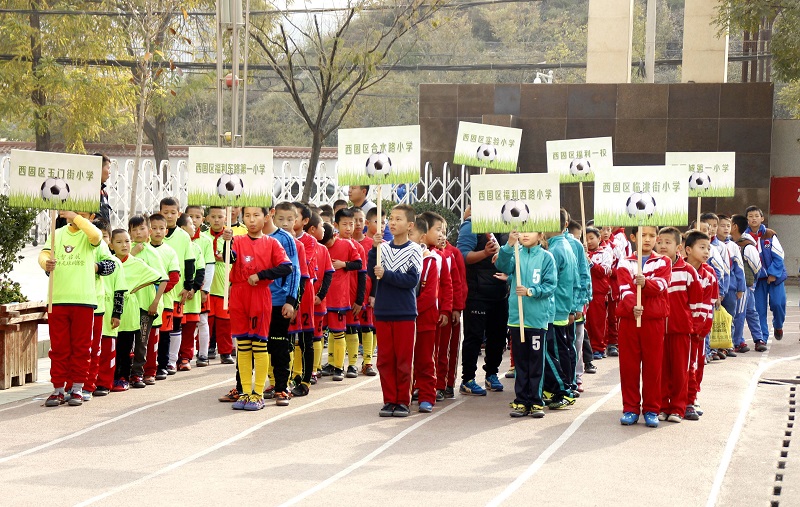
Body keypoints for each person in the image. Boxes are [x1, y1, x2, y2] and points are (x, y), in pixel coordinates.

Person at [222, 207, 293, 411]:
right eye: (247, 216)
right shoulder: (236, 240)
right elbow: (230, 259)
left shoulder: (272, 242)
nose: (251, 220)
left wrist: (261, 275)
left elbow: (286, 266)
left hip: (259, 294)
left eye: (256, 215)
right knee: (243, 346)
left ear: (266, 217)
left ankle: (258, 393)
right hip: (239, 294)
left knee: (259, 344)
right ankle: (244, 391)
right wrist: (226, 243)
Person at [39, 211, 110, 406]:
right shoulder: (58, 233)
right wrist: (46, 262)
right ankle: (58, 389)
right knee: (59, 348)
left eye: (81, 212)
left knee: (81, 347)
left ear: (90, 214)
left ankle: (78, 388)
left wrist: (76, 217)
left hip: (84, 300)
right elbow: (44, 253)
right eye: (73, 211)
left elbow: (96, 236)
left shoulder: (91, 235)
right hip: (57, 299)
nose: (76, 215)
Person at [368, 204, 423, 417]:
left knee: (403, 359)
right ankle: (389, 399)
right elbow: (372, 273)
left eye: (398, 219)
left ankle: (403, 401)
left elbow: (412, 281)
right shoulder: (383, 247)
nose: (392, 222)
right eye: (391, 218)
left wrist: (387, 274)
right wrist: (374, 249)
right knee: (384, 359)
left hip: (404, 312)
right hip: (383, 310)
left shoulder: (414, 249)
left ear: (409, 225)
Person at [495, 229, 557, 418]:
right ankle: (521, 401)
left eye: (530, 231)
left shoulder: (547, 258)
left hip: (537, 319)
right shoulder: (516, 253)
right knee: (521, 362)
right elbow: (502, 265)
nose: (525, 234)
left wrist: (531, 291)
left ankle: (536, 402)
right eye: (521, 231)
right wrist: (508, 245)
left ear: (540, 235)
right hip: (517, 318)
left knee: (536, 362)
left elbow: (550, 285)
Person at [616, 225, 671, 428]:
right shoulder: (625, 262)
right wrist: (632, 307)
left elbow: (662, 285)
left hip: (653, 321)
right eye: (643, 235)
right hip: (630, 321)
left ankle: (651, 409)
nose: (647, 239)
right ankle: (630, 408)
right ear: (633, 237)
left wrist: (645, 283)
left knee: (653, 367)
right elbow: (623, 288)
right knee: (629, 366)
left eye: (651, 235)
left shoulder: (663, 261)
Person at [457, 206, 509, 396]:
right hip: (477, 293)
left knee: (498, 336)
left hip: (500, 292)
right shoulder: (470, 226)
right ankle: (468, 379)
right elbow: (461, 257)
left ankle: (492, 374)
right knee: (474, 337)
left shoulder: (505, 227)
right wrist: (485, 253)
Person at [109, 229, 166, 391]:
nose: (124, 245)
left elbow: (160, 277)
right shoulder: (109, 262)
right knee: (111, 346)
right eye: (119, 242)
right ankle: (109, 377)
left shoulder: (136, 263)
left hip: (129, 311)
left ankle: (123, 378)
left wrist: (135, 287)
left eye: (127, 241)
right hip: (111, 309)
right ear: (111, 245)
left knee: (126, 347)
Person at [657, 227, 702, 424]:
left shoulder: (688, 271)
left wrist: (694, 328)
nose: (663, 246)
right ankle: (662, 406)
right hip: (659, 330)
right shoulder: (653, 268)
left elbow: (697, 303)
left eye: (668, 242)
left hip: (681, 330)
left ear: (679, 247)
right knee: (661, 370)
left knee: (680, 370)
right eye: (661, 242)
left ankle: (678, 407)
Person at [261, 202, 301, 404]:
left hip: (278, 301)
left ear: (269, 214)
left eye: (289, 219)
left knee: (279, 346)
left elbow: (294, 271)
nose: (285, 224)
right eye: (248, 215)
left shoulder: (285, 239)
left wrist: (291, 301)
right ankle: (264, 384)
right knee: (259, 346)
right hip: (256, 302)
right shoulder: (246, 237)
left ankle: (281, 387)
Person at [543, 209, 580, 409]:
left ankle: (564, 388)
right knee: (561, 349)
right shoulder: (565, 244)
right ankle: (561, 386)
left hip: (555, 308)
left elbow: (549, 280)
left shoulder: (555, 250)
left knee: (554, 352)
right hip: (563, 305)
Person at [321, 208, 362, 381]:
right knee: (326, 333)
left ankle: (349, 365)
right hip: (324, 298)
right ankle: (329, 364)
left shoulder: (350, 245)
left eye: (351, 224)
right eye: (345, 224)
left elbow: (361, 268)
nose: (349, 227)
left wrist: (344, 264)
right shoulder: (320, 247)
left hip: (345, 297)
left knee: (349, 330)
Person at [85, 220, 124, 399]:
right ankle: (88, 382)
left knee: (107, 352)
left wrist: (117, 313)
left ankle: (104, 382)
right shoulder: (85, 259)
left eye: (104, 236)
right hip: (91, 313)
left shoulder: (114, 263)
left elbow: (120, 290)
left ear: (108, 240)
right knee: (91, 351)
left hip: (108, 317)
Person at [157, 197, 196, 375]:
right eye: (166, 212)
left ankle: (173, 360)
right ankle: (159, 360)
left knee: (175, 326)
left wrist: (189, 285)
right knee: (160, 326)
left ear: (179, 214)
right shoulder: (155, 233)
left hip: (177, 289)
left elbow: (190, 262)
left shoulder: (184, 236)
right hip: (158, 292)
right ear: (160, 213)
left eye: (173, 213)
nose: (169, 216)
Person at [142, 214, 181, 382]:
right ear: (149, 230)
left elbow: (174, 277)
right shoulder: (142, 249)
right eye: (154, 228)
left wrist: (159, 290)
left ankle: (162, 366)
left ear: (166, 230)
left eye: (161, 228)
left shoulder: (170, 252)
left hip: (164, 302)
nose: (158, 232)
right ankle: (142, 367)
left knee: (164, 335)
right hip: (144, 301)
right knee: (145, 336)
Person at [685, 230, 718, 420]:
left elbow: (708, 305)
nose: (706, 252)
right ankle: (676, 399)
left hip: (698, 331)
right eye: (702, 247)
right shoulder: (677, 270)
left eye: (708, 248)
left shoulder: (710, 275)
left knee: (695, 364)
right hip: (679, 329)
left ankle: (692, 397)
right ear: (687, 250)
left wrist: (699, 329)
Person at [744, 206, 787, 342]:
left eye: (756, 215)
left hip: (775, 277)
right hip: (757, 280)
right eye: (750, 216)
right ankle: (762, 338)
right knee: (759, 309)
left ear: (762, 218)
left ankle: (778, 325)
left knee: (778, 304)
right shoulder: (744, 238)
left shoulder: (769, 234)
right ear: (747, 219)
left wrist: (773, 273)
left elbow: (779, 256)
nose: (754, 218)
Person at [409, 216, 438, 413]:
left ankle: (427, 395)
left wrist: (410, 308)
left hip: (424, 320)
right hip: (405, 319)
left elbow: (429, 296)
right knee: (404, 360)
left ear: (422, 237)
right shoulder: (401, 258)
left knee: (425, 360)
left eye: (410, 234)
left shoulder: (431, 262)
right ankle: (404, 394)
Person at [204, 207, 238, 366]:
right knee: (207, 321)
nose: (216, 220)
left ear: (226, 218)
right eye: (213, 216)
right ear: (207, 218)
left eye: (220, 217)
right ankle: (206, 349)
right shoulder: (203, 237)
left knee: (225, 322)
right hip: (208, 286)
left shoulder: (231, 237)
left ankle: (225, 352)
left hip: (224, 286)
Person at [176, 213, 207, 371]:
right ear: (182, 229)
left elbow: (200, 270)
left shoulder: (196, 248)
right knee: (176, 329)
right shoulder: (172, 244)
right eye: (191, 224)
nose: (194, 226)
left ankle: (186, 357)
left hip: (191, 297)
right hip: (176, 295)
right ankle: (173, 357)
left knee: (189, 330)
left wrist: (194, 289)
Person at [186, 206, 216, 367]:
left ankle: (203, 354)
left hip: (199, 288)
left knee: (202, 321)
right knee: (185, 323)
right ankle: (185, 355)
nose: (194, 220)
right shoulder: (181, 238)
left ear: (203, 220)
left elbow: (210, 266)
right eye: (190, 217)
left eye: (197, 217)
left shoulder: (205, 241)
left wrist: (205, 289)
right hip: (183, 289)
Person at [730, 215, 765, 352]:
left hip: (745, 285)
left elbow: (757, 266)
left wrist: (750, 282)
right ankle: (758, 339)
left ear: (735, 227)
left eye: (729, 224)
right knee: (751, 312)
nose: (727, 227)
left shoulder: (747, 246)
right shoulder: (732, 243)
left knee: (741, 313)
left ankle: (739, 341)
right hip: (742, 285)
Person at [717, 214, 746, 356]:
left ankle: (729, 345)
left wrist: (741, 287)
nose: (726, 228)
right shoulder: (711, 245)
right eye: (722, 225)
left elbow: (739, 268)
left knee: (729, 317)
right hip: (717, 288)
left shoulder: (734, 246)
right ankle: (716, 346)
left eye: (728, 226)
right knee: (716, 318)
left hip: (731, 288)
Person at [586, 227, 612, 360]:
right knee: (586, 323)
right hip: (584, 292)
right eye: (586, 238)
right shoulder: (581, 253)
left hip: (598, 293)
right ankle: (588, 348)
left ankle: (599, 348)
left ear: (599, 239)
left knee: (598, 322)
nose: (589, 241)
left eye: (592, 238)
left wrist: (590, 262)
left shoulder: (605, 253)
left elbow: (604, 271)